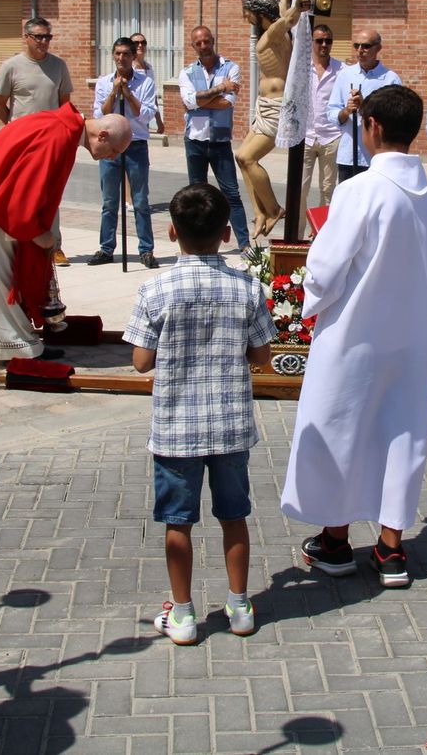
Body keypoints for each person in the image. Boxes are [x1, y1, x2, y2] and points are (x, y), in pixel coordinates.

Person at [282, 85, 427, 589]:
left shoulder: (359, 190)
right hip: (410, 337)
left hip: (355, 333)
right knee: (401, 436)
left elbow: (326, 269)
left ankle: (333, 543)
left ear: (371, 126)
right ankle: (392, 550)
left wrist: (308, 299)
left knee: (340, 431)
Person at [124, 183, 275, 645]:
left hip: (176, 429)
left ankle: (184, 614)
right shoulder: (248, 287)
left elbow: (141, 361)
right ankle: (240, 605)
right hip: (230, 425)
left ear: (171, 232)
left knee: (178, 522)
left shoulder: (156, 288)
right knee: (235, 517)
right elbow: (262, 356)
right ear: (227, 233)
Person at [0, 107, 131, 361]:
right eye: (114, 151)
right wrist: (36, 232)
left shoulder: (59, 127)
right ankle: (11, 348)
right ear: (103, 136)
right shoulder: (57, 135)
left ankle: (16, 343)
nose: (110, 158)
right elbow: (24, 189)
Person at [234, 0, 307, 237]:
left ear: (259, 13)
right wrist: (285, 1)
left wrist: (295, 5)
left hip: (275, 109)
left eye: (249, 12)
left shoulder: (276, 32)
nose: (246, 17)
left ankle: (275, 209)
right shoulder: (271, 32)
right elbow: (283, 18)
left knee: (248, 158)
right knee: (240, 158)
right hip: (263, 105)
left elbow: (288, 20)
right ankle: (259, 212)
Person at [178, 25, 250, 251]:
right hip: (195, 141)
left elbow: (228, 102)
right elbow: (189, 101)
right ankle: (197, 244)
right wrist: (220, 87)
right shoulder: (187, 72)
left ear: (213, 41)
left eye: (206, 41)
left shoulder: (231, 67)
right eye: (198, 43)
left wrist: (198, 101)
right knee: (195, 197)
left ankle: (245, 244)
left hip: (219, 141)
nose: (203, 46)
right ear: (193, 46)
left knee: (231, 193)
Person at [90, 36, 158, 268]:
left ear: (133, 56)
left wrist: (128, 93)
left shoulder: (145, 83)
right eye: (117, 53)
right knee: (110, 201)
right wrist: (113, 92)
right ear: (113, 55)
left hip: (136, 145)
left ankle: (146, 249)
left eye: (126, 54)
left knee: (140, 201)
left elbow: (146, 114)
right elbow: (100, 115)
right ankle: (106, 247)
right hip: (110, 148)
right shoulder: (103, 82)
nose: (121, 58)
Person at [328, 28, 402, 182]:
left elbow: (394, 119)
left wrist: (364, 107)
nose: (360, 50)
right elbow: (332, 112)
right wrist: (347, 111)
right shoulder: (345, 75)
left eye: (366, 46)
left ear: (378, 48)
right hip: (348, 155)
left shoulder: (390, 79)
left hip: (377, 158)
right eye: (356, 46)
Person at [0, 17, 73, 124]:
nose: (44, 41)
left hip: (50, 131)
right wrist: (13, 127)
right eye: (39, 37)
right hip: (22, 132)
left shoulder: (59, 65)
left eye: (47, 37)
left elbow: (65, 104)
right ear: (26, 37)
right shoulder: (10, 66)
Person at [302, 24, 342, 231]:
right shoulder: (301, 69)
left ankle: (321, 235)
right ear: (312, 42)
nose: (324, 45)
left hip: (331, 137)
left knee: (328, 189)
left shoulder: (342, 70)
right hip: (306, 136)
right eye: (319, 41)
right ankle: (296, 237)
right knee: (300, 189)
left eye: (328, 41)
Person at [130, 32, 166, 136]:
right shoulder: (128, 68)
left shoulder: (149, 68)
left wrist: (158, 120)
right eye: (136, 43)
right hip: (132, 119)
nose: (140, 45)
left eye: (143, 42)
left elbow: (152, 96)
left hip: (145, 116)